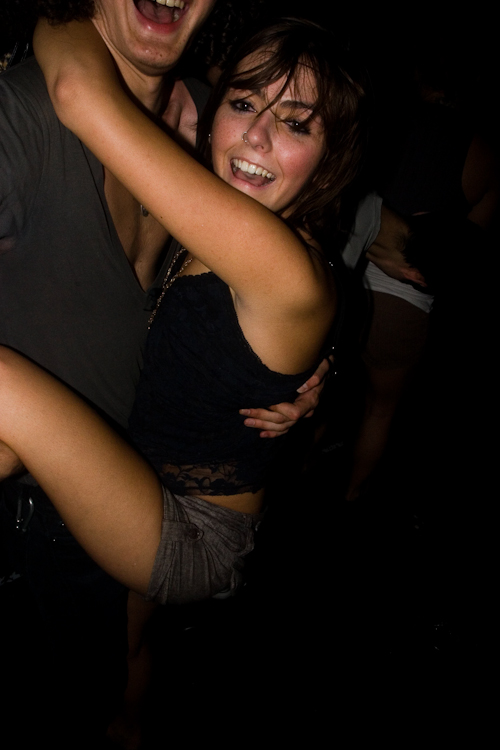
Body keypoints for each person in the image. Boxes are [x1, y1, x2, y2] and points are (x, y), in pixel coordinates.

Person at [0, 11, 365, 740]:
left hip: (191, 533)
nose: (257, 136)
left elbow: (79, 93)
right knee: (126, 655)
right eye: (244, 103)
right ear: (212, 107)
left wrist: (56, 19)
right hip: (149, 481)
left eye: (296, 123)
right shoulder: (213, 198)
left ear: (330, 161)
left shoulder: (282, 265)